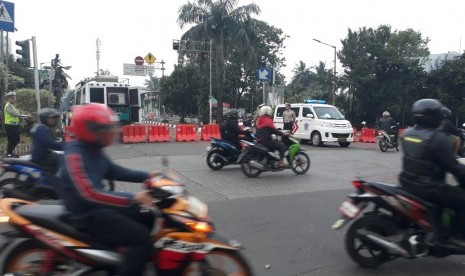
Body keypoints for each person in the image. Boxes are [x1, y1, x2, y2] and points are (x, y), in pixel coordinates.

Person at [59, 103, 158, 276]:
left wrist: (149, 176)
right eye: (107, 128)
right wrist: (133, 197)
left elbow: (114, 170)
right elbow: (89, 194)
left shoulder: (93, 148)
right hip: (88, 215)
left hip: (99, 208)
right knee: (140, 236)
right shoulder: (75, 154)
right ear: (91, 130)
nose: (112, 132)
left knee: (149, 214)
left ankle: (127, 259)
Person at [399, 99, 465, 245]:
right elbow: (452, 166)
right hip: (429, 188)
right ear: (434, 116)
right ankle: (457, 236)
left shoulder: (407, 133)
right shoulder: (438, 138)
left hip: (407, 182)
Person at [30, 108, 65, 173]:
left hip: (42, 155)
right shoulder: (41, 128)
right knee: (63, 158)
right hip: (42, 157)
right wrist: (67, 145)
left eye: (55, 118)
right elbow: (50, 144)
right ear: (44, 118)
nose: (54, 120)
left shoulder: (40, 127)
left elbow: (52, 141)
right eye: (52, 118)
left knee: (57, 155)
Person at [4, 91, 28, 158]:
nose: (14, 99)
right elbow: (16, 114)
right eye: (12, 98)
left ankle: (10, 153)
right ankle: (9, 154)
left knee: (16, 140)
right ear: (8, 99)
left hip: (14, 125)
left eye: (14, 98)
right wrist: (26, 116)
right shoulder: (9, 106)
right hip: (10, 126)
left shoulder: (13, 105)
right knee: (12, 140)